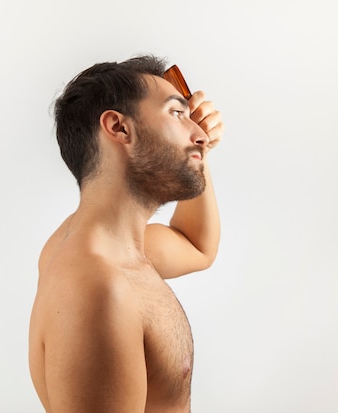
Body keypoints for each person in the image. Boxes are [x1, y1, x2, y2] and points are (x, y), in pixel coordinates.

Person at [28, 55, 223, 413]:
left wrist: (197, 152)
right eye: (177, 114)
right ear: (119, 128)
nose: (199, 132)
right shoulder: (98, 289)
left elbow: (197, 247)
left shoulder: (118, 247)